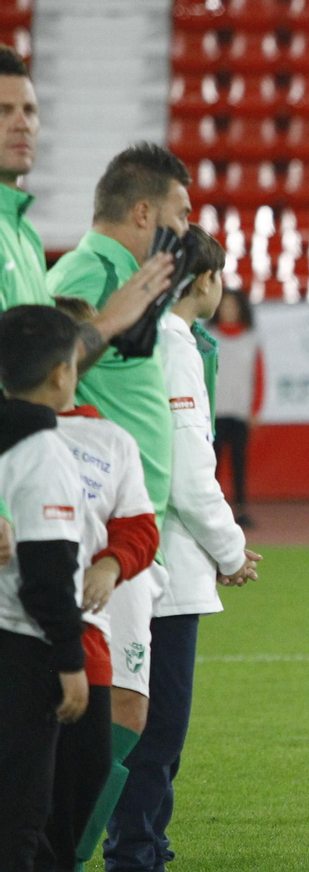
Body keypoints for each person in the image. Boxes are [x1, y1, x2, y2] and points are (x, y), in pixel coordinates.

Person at [105, 224, 259, 872]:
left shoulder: (160, 341)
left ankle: (145, 843)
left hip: (153, 556)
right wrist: (232, 548)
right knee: (159, 725)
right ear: (205, 282)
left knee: (156, 724)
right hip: (165, 560)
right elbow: (192, 467)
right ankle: (135, 851)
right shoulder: (174, 346)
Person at [0, 50, 173, 570]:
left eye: (29, 110)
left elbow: (33, 375)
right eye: (4, 110)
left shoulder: (24, 237)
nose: (21, 123)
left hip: (28, 496)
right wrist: (107, 322)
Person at [43, 298, 161, 872]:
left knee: (75, 794)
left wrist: (113, 563)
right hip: (19, 639)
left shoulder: (109, 441)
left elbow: (140, 526)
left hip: (84, 645)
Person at [0, 304, 89, 869]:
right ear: (61, 374)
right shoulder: (45, 455)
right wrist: (70, 659)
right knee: (20, 817)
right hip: (23, 651)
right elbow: (47, 574)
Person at [209, 290, 258, 528]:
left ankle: (240, 509)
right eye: (224, 306)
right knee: (211, 463)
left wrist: (255, 408)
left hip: (239, 411)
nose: (228, 311)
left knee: (240, 463)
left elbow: (258, 376)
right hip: (214, 412)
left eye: (232, 306)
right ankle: (210, 509)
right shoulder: (208, 337)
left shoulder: (251, 338)